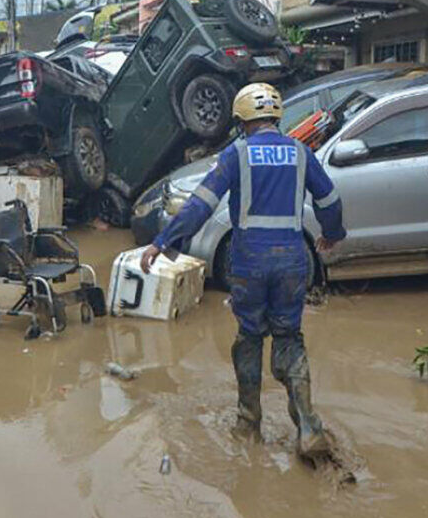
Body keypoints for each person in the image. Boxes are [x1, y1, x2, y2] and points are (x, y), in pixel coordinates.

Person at [140, 82, 344, 460]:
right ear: (275, 116)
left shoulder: (236, 154)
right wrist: (332, 235)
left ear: (242, 119)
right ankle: (309, 429)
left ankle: (248, 424)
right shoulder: (301, 152)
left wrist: (163, 242)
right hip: (292, 260)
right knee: (290, 338)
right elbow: (330, 199)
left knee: (249, 337)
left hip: (249, 262)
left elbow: (200, 205)